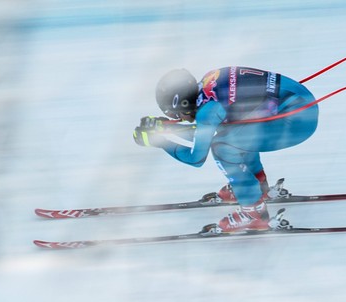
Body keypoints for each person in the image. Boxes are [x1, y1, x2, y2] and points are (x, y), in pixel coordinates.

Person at [133, 67, 319, 234]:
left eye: (176, 115)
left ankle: (254, 213)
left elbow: (196, 157)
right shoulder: (208, 82)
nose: (180, 119)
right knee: (233, 133)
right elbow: (207, 130)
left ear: (183, 104)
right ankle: (256, 185)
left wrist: (161, 142)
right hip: (299, 107)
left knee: (222, 146)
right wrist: (166, 128)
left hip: (296, 123)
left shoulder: (208, 111)